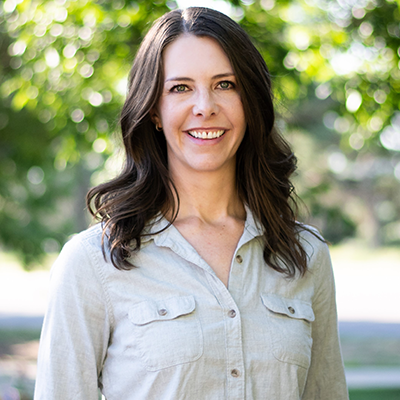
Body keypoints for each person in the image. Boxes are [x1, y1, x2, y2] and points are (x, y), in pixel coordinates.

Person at [34, 7, 349, 400]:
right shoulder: (93, 263)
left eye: (225, 85)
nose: (205, 106)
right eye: (180, 88)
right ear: (153, 110)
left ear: (250, 102)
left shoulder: (305, 255)